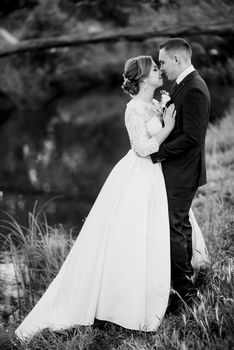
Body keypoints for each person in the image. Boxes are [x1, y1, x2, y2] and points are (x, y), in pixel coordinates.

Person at [15, 55, 208, 340]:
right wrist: (166, 127)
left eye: (160, 66)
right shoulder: (134, 109)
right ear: (143, 78)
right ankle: (123, 302)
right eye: (155, 69)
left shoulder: (153, 103)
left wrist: (164, 116)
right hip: (139, 174)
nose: (160, 71)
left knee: (158, 230)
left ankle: (167, 284)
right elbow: (142, 148)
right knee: (132, 234)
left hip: (157, 174)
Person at [150, 38, 210, 312]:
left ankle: (184, 293)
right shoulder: (184, 84)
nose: (160, 67)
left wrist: (157, 152)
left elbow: (192, 137)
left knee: (173, 227)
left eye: (162, 61)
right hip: (180, 170)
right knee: (181, 224)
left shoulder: (194, 88)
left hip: (183, 172)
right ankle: (187, 283)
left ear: (178, 59)